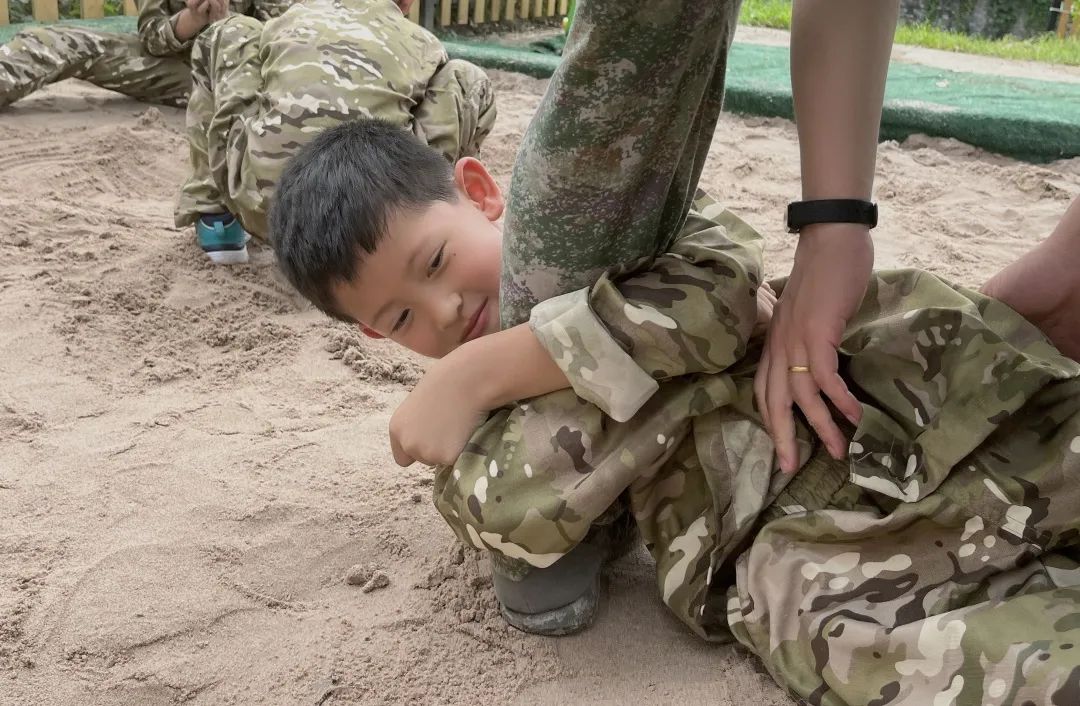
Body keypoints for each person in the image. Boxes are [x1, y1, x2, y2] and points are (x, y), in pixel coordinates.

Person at [267, 114, 1080, 703]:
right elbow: (527, 543)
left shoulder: (601, 230)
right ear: (377, 337)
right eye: (405, 319)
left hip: (891, 388)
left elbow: (722, 291)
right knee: (954, 662)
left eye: (436, 261)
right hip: (780, 542)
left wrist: (485, 370)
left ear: (480, 192)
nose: (443, 311)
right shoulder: (477, 436)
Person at [173, 0, 495, 265]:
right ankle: (446, 214)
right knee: (464, 78)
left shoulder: (292, 18)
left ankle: (217, 221)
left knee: (231, 32)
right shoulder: (421, 42)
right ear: (406, 4)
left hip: (262, 210)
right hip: (383, 222)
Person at [0, 0, 292, 110]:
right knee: (54, 41)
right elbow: (152, 39)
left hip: (245, 74)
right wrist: (192, 18)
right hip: (181, 71)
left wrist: (227, 24)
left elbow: (283, 41)